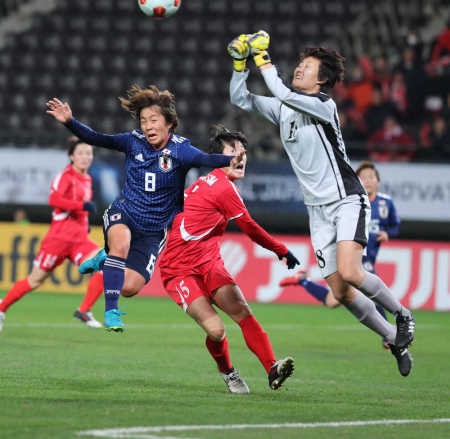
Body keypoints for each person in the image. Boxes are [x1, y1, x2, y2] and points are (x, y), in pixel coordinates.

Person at [227, 31, 415, 376]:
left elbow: (281, 90)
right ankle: (393, 338)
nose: (299, 69)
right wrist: (241, 63)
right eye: (299, 63)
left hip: (346, 198)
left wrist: (262, 57)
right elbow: (241, 99)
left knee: (351, 271)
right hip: (317, 211)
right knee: (341, 293)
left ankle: (403, 315)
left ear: (323, 78)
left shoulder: (323, 105)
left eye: (307, 66)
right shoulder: (284, 109)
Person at [46, 85, 245, 332]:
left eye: (154, 120)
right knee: (120, 245)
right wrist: (70, 122)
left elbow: (205, 159)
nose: (148, 126)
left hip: (154, 230)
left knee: (130, 287)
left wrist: (229, 160)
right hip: (125, 212)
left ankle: (104, 259)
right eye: (143, 121)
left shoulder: (181, 150)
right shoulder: (132, 142)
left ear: (169, 123)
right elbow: (96, 138)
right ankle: (111, 311)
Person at [158, 125, 298, 393]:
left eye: (243, 151)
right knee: (216, 330)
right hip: (179, 270)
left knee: (242, 311)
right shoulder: (222, 187)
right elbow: (250, 228)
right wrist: (281, 249)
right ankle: (228, 372)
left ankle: (272, 368)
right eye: (233, 150)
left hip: (209, 263)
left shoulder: (206, 182)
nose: (241, 156)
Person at [280, 161, 400, 348]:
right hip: (355, 259)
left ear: (378, 180)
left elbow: (394, 225)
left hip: (368, 256)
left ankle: (303, 280)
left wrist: (388, 234)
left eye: (371, 177)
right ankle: (389, 332)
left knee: (332, 301)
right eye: (364, 177)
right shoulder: (350, 202)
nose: (368, 181)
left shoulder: (386, 203)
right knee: (365, 286)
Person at [0, 136, 104, 331]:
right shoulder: (65, 176)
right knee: (35, 281)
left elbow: (80, 211)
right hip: (58, 240)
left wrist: (85, 223)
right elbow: (54, 200)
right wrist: (81, 205)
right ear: (72, 156)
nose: (85, 157)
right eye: (80, 153)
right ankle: (1, 307)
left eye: (88, 153)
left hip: (79, 240)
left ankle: (84, 310)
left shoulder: (88, 179)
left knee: (105, 265)